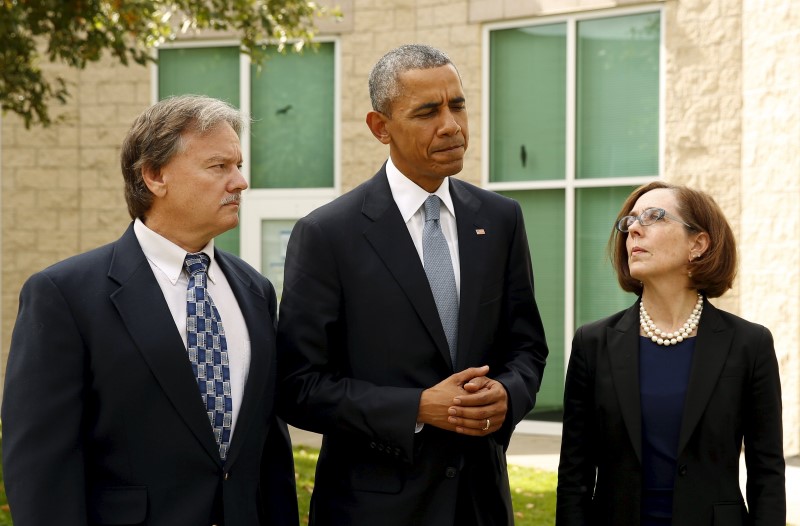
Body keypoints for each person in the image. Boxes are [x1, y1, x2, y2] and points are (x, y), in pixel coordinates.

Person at [276, 44, 549, 525]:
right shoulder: (327, 234)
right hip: (373, 509)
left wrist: (508, 394)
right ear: (380, 127)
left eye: (457, 105)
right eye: (427, 112)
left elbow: (527, 347)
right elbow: (299, 386)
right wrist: (418, 408)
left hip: (480, 503)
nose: (451, 125)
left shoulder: (501, 219)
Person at [2, 95, 298, 526]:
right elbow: (41, 467)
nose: (240, 182)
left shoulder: (256, 291)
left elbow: (270, 446)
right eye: (219, 166)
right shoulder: (64, 295)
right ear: (155, 175)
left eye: (237, 165)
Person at [556, 181, 785, 526]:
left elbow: (767, 474)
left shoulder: (749, 344)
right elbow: (575, 475)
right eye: (629, 221)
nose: (633, 229)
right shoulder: (593, 343)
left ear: (698, 243)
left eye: (653, 216)